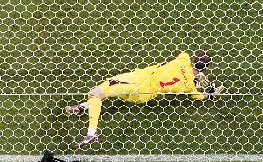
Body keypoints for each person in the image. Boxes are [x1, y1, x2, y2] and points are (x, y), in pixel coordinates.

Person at [64, 52, 223, 146]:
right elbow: (197, 96)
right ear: (205, 68)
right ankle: (82, 107)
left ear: (194, 59)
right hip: (143, 95)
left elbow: (180, 58)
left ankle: (91, 133)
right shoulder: (189, 87)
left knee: (96, 93)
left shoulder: (183, 59)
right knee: (105, 93)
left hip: (136, 81)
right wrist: (210, 94)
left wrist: (198, 75)